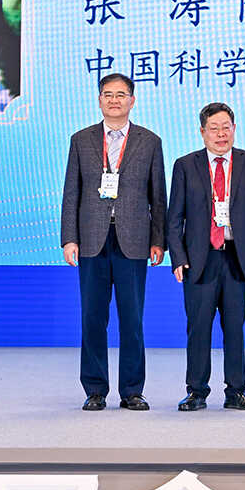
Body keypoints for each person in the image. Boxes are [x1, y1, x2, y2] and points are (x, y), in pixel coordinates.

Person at [61, 74, 166, 411]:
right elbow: (71, 193)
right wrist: (69, 238)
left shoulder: (150, 141)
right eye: (108, 94)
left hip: (134, 241)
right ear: (99, 100)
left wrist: (158, 240)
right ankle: (95, 389)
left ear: (132, 101)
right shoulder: (81, 140)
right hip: (91, 240)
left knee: (132, 319)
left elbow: (158, 197)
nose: (114, 100)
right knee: (93, 317)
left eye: (121, 94)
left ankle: (132, 390)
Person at [166, 103, 245, 412]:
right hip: (199, 260)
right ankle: (196, 391)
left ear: (234, 129)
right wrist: (178, 258)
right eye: (214, 128)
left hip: (237, 258)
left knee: (235, 329)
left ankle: (236, 391)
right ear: (202, 132)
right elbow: (175, 218)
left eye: (226, 127)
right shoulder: (186, 165)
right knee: (198, 328)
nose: (221, 134)